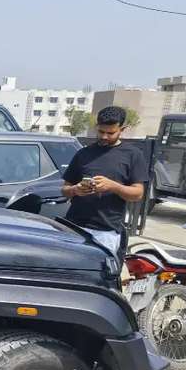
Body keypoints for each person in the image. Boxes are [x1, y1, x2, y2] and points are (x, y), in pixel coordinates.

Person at [61, 106, 147, 260]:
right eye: (101, 132)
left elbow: (138, 193)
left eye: (110, 133)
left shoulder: (133, 155)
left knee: (100, 276)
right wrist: (75, 190)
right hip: (74, 227)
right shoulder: (83, 153)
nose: (105, 137)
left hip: (106, 231)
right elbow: (64, 189)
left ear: (123, 129)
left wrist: (113, 186)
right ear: (96, 127)